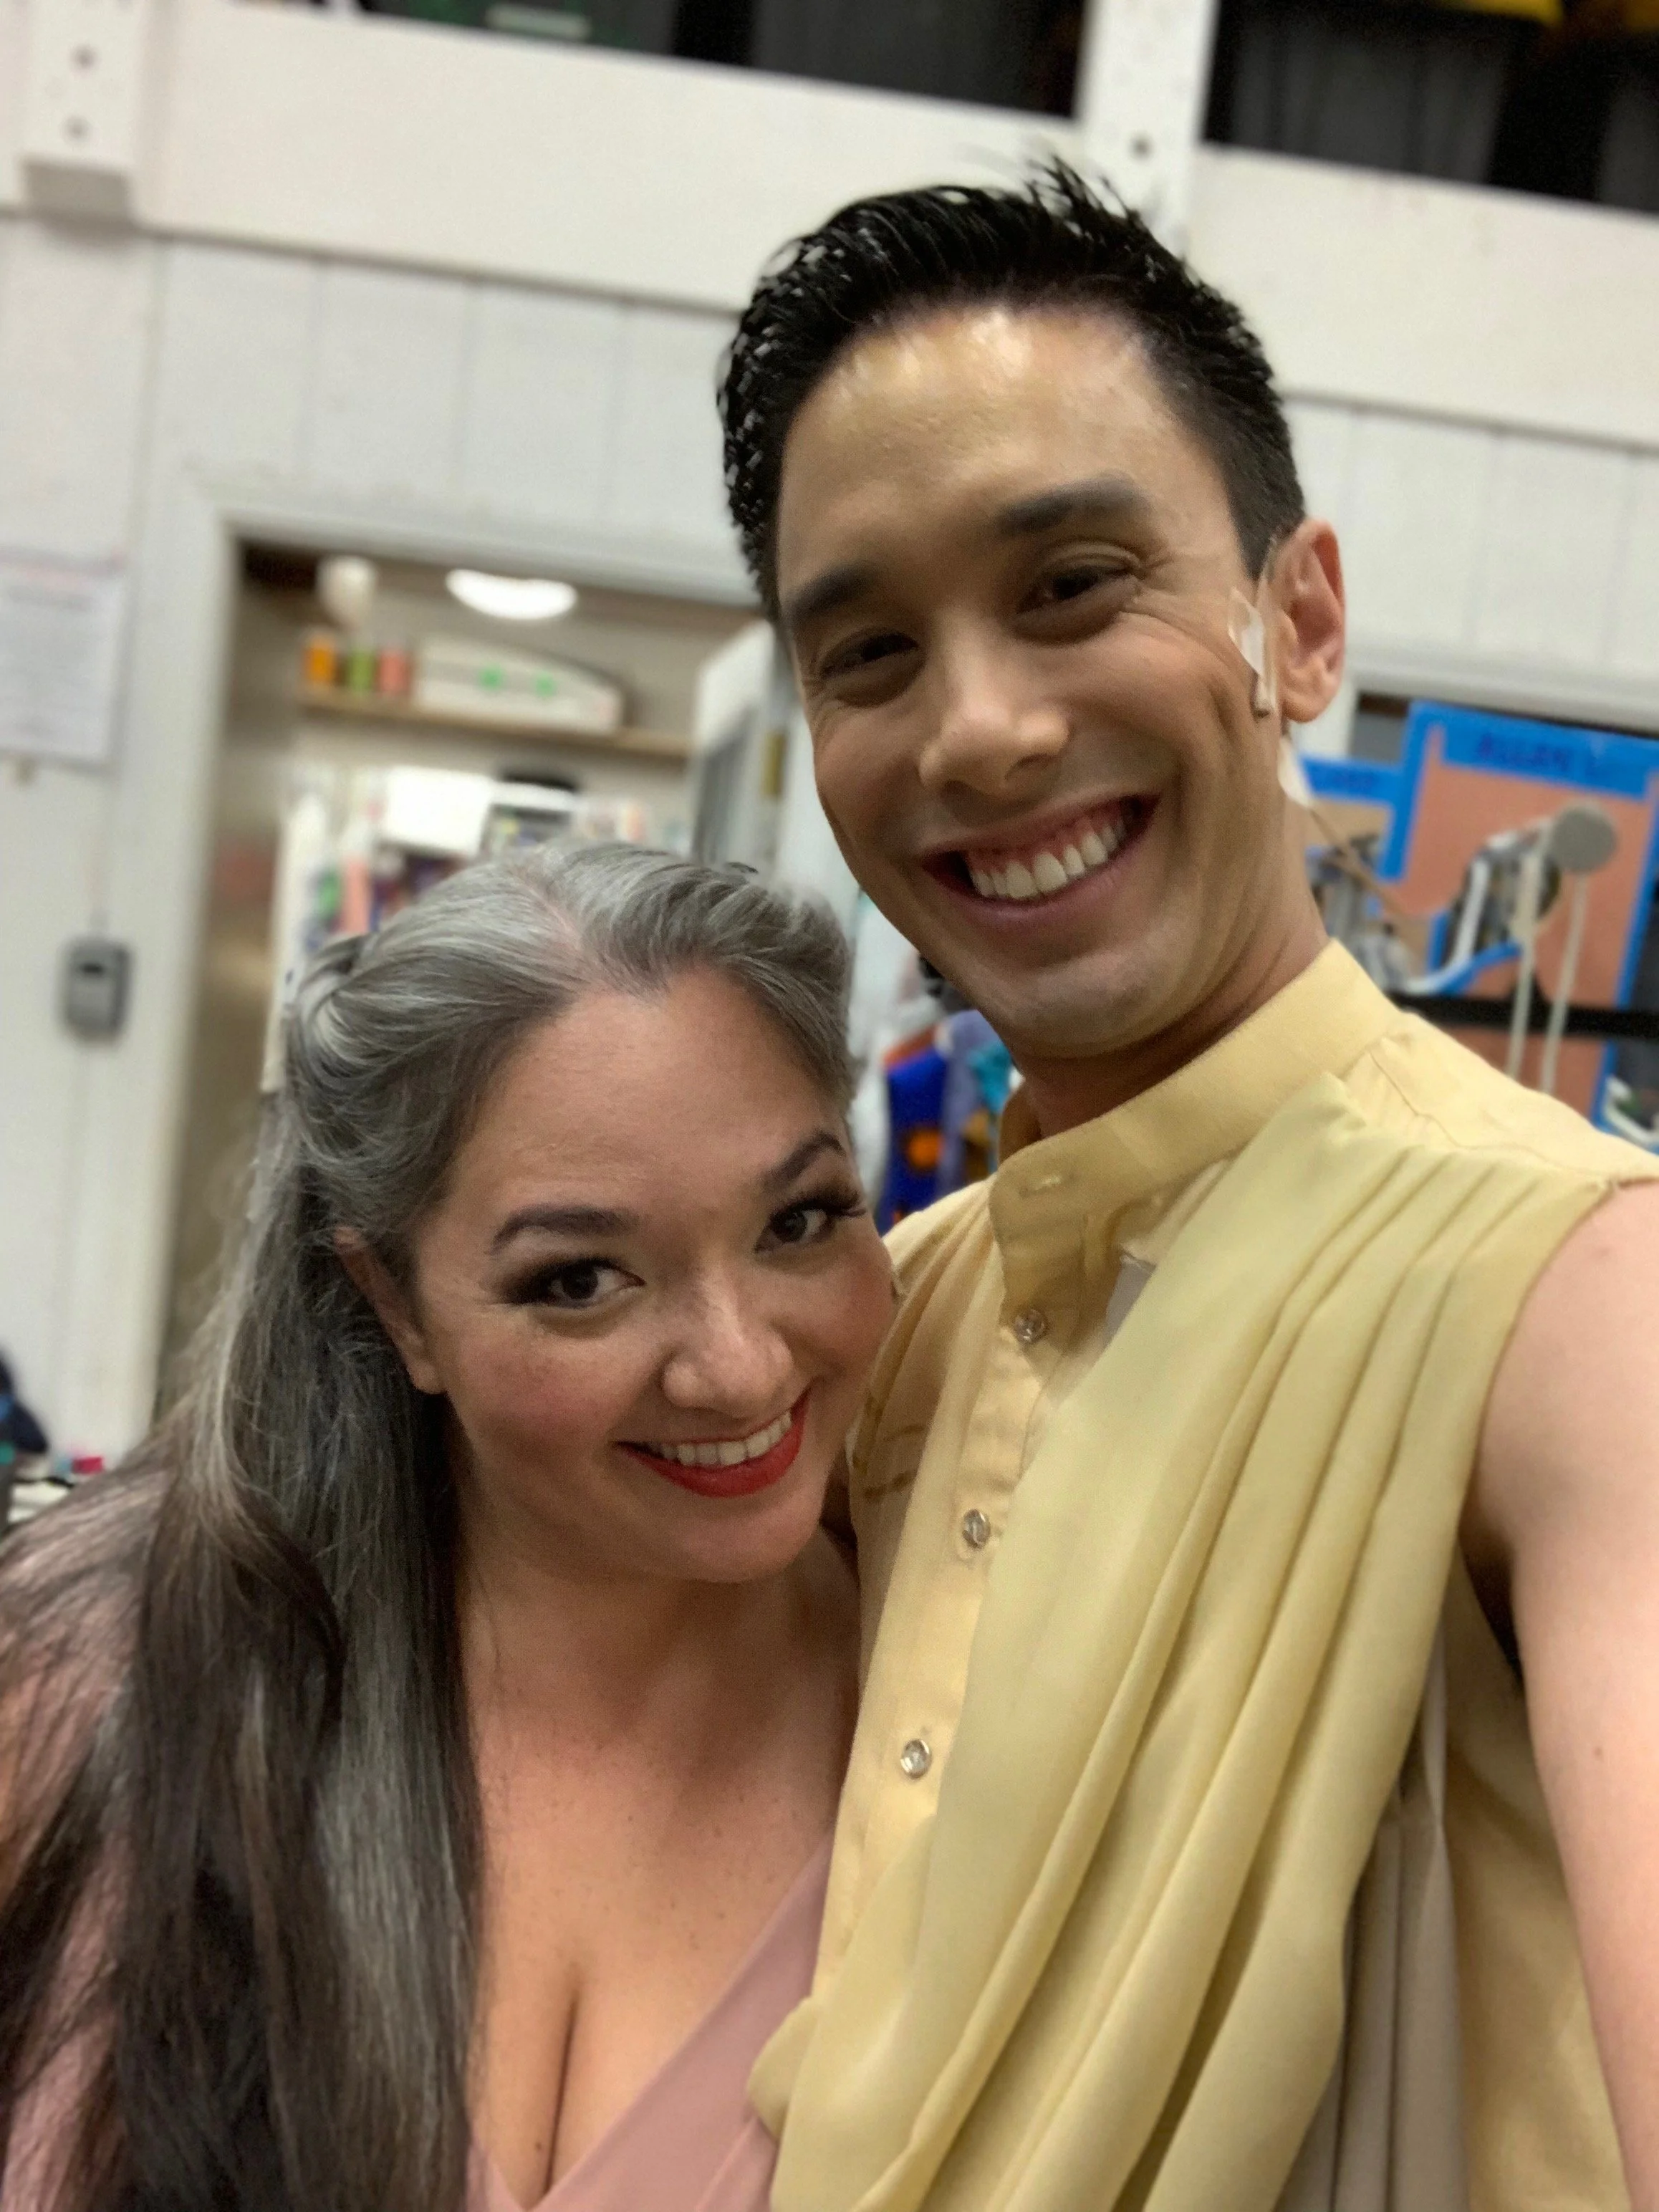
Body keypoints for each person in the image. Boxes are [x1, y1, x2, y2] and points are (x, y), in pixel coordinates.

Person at [718, 163, 1659, 2211]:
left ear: (1294, 620)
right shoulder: (892, 1316)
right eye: (869, 653)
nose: (975, 731)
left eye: (1068, 588)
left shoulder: (1573, 1293)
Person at [0, 845, 893, 2212]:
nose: (742, 1370)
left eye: (800, 1220)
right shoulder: (93, 1685)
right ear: (397, 1303)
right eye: (581, 1279)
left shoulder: (948, 1708)